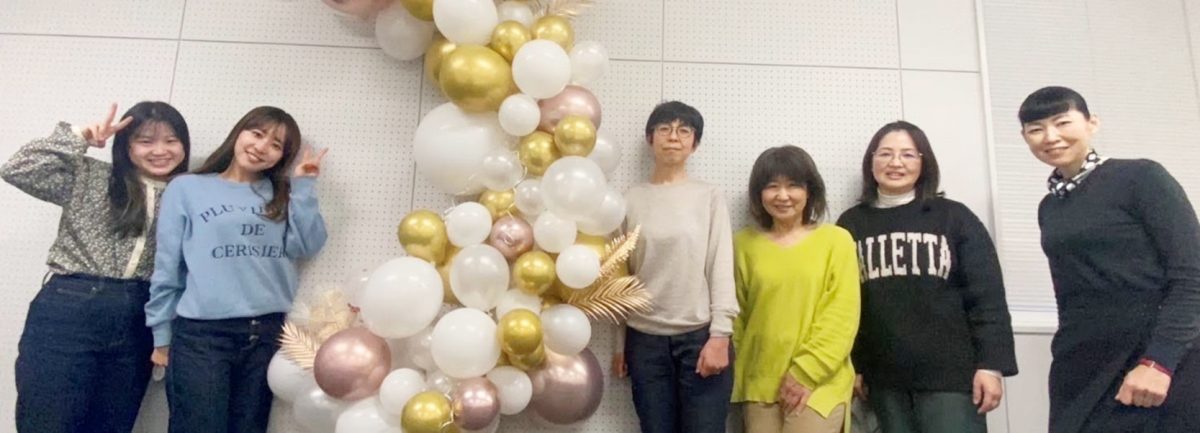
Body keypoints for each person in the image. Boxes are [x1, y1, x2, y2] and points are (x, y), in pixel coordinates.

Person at [1019, 86, 1200, 433]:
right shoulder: (1050, 207)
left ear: (1092, 123)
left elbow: (1191, 276)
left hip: (1155, 354)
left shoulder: (1141, 178)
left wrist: (1159, 361)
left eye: (1062, 122)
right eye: (1036, 129)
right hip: (1082, 360)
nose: (1051, 136)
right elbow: (1069, 296)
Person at [5, 102, 191, 432]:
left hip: (140, 316)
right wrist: (80, 136)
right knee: (47, 420)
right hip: (71, 308)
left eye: (171, 140)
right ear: (126, 146)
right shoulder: (90, 176)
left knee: (112, 424)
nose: (160, 150)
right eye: (146, 141)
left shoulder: (188, 195)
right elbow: (18, 169)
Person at [144, 106, 328, 433]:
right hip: (203, 336)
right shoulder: (186, 188)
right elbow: (167, 265)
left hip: (266, 332)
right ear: (238, 133)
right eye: (257, 134)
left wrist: (303, 187)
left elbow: (307, 245)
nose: (261, 147)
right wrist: (161, 334)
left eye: (275, 145)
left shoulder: (281, 193)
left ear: (282, 157)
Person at [837, 121, 1017, 433]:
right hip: (883, 380)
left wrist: (991, 366)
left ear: (924, 163)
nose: (896, 163)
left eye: (908, 154)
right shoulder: (851, 224)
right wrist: (855, 365)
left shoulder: (955, 217)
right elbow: (847, 305)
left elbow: (987, 297)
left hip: (951, 378)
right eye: (885, 154)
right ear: (871, 161)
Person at [613, 100, 738, 433]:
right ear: (649, 138)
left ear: (694, 144)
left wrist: (720, 335)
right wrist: (619, 343)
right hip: (644, 341)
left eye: (684, 131)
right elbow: (621, 277)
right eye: (664, 129)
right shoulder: (629, 199)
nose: (673, 137)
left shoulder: (709, 196)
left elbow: (720, 265)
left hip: (700, 338)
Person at [732, 145, 860, 433]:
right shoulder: (742, 244)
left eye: (793, 185)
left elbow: (842, 316)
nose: (783, 195)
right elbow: (736, 317)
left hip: (820, 382)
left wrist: (806, 372)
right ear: (758, 194)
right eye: (772, 186)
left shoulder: (836, 241)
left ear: (810, 191)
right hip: (759, 384)